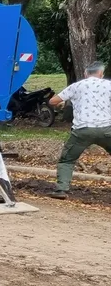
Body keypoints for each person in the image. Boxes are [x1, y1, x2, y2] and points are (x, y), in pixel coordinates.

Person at [48, 62, 111, 199]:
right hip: (107, 129)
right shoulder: (108, 85)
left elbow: (53, 101)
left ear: (85, 73)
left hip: (82, 130)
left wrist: (64, 103)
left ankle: (61, 190)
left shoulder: (77, 86)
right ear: (101, 74)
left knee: (67, 160)